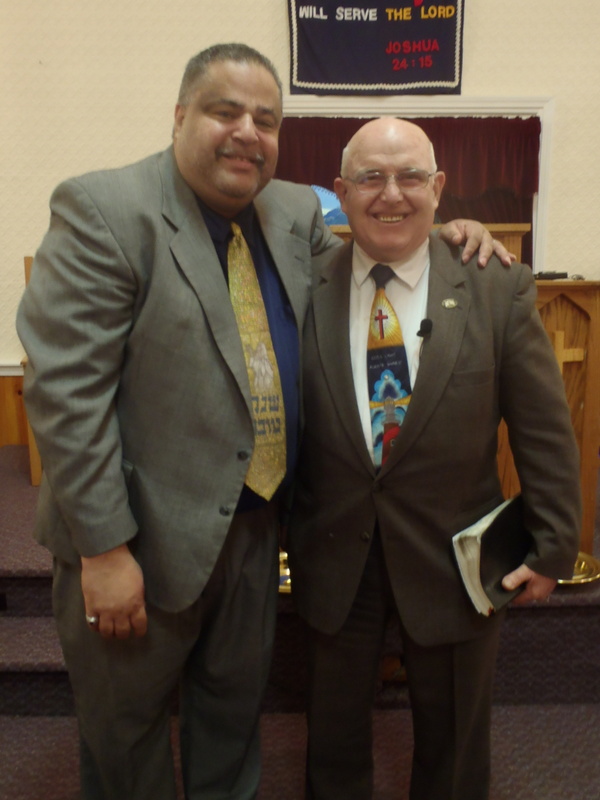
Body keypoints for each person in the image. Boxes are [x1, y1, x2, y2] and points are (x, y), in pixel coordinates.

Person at [17, 43, 510, 800]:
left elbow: (377, 249)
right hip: (139, 537)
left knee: (231, 730)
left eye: (267, 119)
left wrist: (449, 234)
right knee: (127, 743)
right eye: (225, 111)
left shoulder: (292, 212)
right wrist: (104, 549)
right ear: (180, 116)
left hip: (254, 534)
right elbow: (65, 394)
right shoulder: (103, 210)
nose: (248, 131)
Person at [286, 117, 581, 800]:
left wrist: (554, 543)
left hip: (456, 558)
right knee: (331, 743)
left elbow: (543, 428)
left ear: (439, 188)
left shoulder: (496, 285)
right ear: (341, 193)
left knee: (453, 751)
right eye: (370, 177)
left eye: (410, 176)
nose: (391, 194)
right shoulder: (300, 286)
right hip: (334, 553)